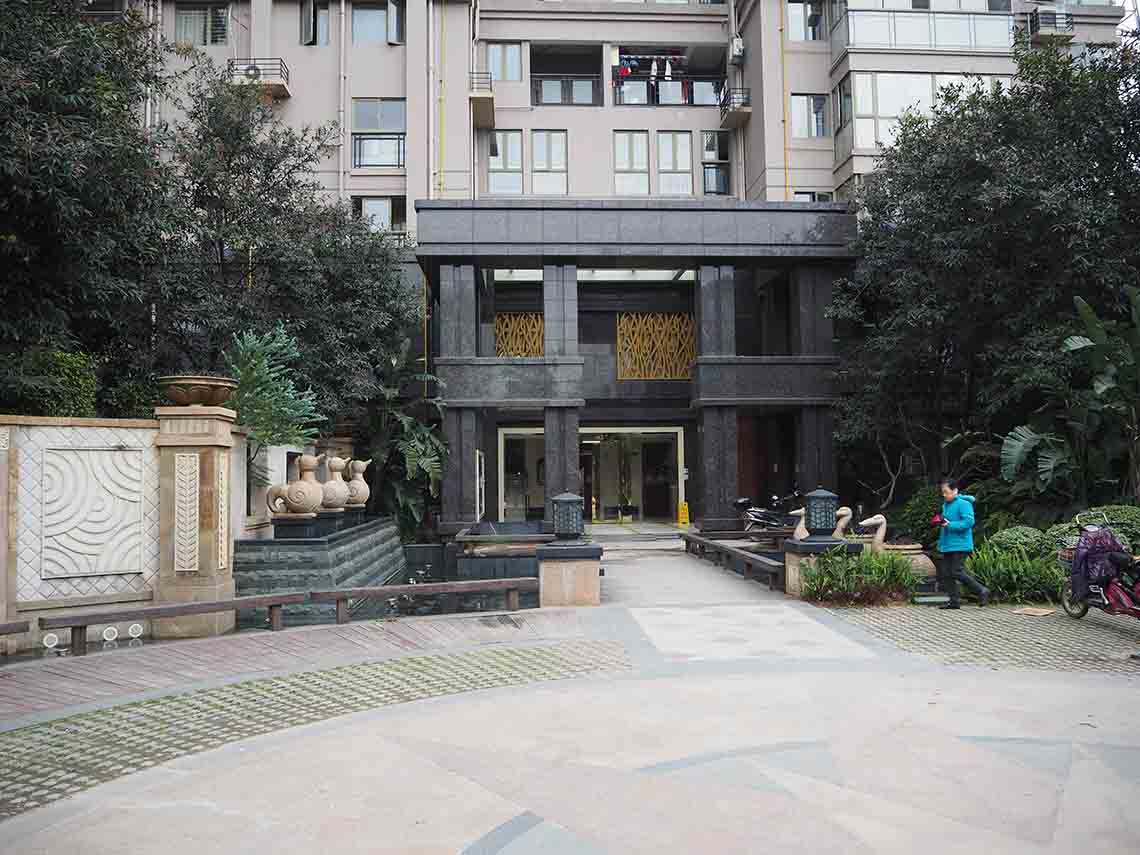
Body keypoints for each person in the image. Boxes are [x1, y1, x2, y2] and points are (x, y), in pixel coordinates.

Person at [938, 477, 989, 610]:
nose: (944, 495)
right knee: (947, 573)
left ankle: (981, 590)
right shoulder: (946, 505)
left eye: (946, 492)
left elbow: (969, 522)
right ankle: (954, 602)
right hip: (948, 543)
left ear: (955, 491)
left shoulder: (964, 504)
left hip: (960, 544)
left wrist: (950, 525)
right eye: (943, 492)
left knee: (956, 571)